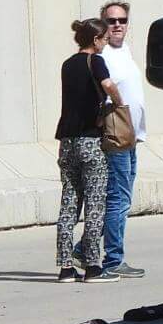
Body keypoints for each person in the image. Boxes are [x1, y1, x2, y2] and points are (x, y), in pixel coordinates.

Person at [54, 18, 119, 283]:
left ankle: (65, 267)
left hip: (66, 141)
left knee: (69, 203)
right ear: (95, 40)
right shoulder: (96, 61)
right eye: (104, 39)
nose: (105, 44)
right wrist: (119, 103)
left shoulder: (67, 64)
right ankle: (93, 266)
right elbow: (108, 86)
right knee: (95, 203)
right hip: (90, 141)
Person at [97, 0, 148, 280]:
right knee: (118, 199)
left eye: (122, 20)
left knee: (121, 198)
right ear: (103, 24)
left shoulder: (125, 51)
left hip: (131, 137)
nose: (117, 25)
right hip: (116, 136)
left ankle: (83, 248)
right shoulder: (102, 55)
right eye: (111, 21)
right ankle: (113, 259)